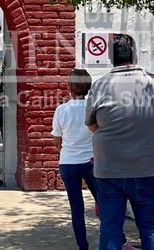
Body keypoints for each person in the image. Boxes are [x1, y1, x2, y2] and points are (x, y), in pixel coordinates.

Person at [85, 33, 154, 250]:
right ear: (134, 54)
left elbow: (92, 125)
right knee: (152, 227)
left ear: (111, 58)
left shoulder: (100, 86)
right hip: (148, 168)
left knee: (111, 226)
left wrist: (113, 136)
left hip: (109, 169)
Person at [52, 69, 98, 250]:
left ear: (69, 86)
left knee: (76, 207)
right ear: (88, 86)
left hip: (68, 162)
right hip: (91, 161)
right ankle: (119, 239)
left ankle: (82, 245)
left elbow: (57, 140)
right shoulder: (93, 109)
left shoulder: (61, 110)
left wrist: (66, 150)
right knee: (104, 202)